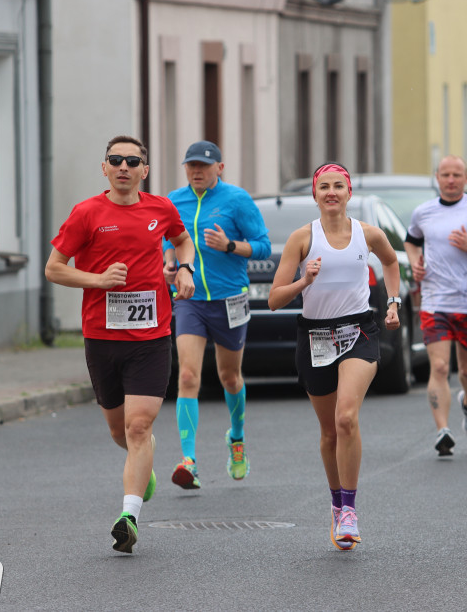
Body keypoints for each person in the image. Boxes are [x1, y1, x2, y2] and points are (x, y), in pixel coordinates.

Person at [45, 135, 196, 554]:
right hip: (101, 337)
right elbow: (54, 269)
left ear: (144, 171)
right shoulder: (87, 213)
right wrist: (97, 279)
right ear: (105, 168)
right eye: (116, 160)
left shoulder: (160, 209)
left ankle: (129, 516)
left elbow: (182, 239)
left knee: (138, 426)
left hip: (151, 336)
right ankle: (142, 465)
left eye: (133, 161)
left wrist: (182, 267)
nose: (124, 167)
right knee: (119, 430)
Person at [268, 163, 401, 551]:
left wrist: (392, 303)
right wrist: (304, 281)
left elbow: (391, 262)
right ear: (315, 194)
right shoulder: (301, 238)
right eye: (323, 187)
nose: (331, 192)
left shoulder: (369, 234)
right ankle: (336, 501)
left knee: (346, 417)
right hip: (314, 337)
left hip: (358, 331)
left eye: (338, 186)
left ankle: (350, 509)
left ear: (349, 193)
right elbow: (275, 300)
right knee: (329, 432)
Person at [162, 141, 271, 490]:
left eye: (204, 166)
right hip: (189, 299)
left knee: (230, 378)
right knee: (189, 375)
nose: (196, 171)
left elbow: (263, 246)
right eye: (191, 165)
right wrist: (169, 263)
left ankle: (236, 438)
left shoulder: (237, 200)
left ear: (219, 168)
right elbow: (169, 240)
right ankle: (188, 461)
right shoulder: (173, 200)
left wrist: (229, 246)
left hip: (230, 300)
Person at [404, 155, 467, 456]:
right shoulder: (423, 212)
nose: (451, 180)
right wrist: (415, 262)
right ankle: (442, 430)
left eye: (457, 175)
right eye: (445, 174)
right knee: (439, 366)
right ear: (436, 177)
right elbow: (411, 242)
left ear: (466, 178)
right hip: (434, 301)